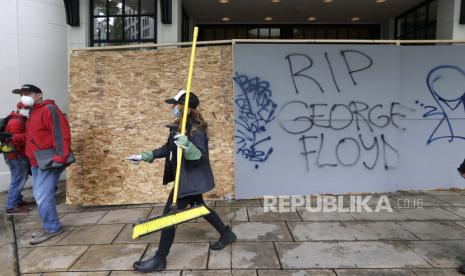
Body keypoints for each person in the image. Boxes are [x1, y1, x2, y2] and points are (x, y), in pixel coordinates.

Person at [127, 90, 237, 273]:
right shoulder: (180, 126)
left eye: (175, 104)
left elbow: (199, 156)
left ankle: (160, 259)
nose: (173, 108)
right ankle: (227, 234)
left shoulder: (196, 130)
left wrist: (187, 145)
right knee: (200, 207)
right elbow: (167, 148)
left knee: (169, 217)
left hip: (189, 180)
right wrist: (145, 156)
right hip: (186, 178)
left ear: (185, 107)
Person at [12, 84, 73, 245]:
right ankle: (51, 225)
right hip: (36, 162)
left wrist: (59, 158)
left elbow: (61, 133)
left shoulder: (49, 109)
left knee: (42, 196)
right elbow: (33, 136)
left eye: (28, 93)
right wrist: (14, 138)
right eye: (22, 94)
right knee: (41, 196)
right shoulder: (32, 112)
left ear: (39, 95)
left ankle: (52, 228)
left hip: (49, 161)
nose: (24, 96)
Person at [0, 102, 34, 214]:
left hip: (13, 155)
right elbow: (14, 139)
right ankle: (11, 206)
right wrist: (31, 134)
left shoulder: (18, 118)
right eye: (27, 108)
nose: (29, 110)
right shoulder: (17, 121)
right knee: (18, 180)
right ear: (19, 108)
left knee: (18, 178)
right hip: (17, 156)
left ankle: (17, 201)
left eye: (30, 107)